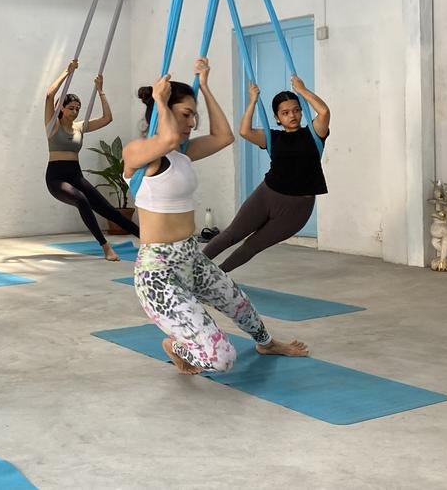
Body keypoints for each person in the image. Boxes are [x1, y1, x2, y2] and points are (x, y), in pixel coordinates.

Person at [122, 59, 308, 375]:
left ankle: (266, 343)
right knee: (222, 359)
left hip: (191, 258)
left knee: (240, 305)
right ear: (163, 112)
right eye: (185, 114)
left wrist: (205, 86)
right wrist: (158, 99)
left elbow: (224, 137)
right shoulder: (138, 154)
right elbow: (165, 139)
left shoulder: (181, 154)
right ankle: (177, 346)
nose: (192, 123)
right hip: (158, 272)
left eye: (193, 115)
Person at [202, 76, 330, 272]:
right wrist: (253, 101)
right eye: (285, 113)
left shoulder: (313, 134)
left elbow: (324, 111)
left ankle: (218, 275)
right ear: (278, 118)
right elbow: (245, 131)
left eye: (296, 110)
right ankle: (191, 268)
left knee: (253, 246)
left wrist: (302, 90)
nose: (292, 116)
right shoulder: (273, 137)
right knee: (232, 234)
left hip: (297, 208)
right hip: (267, 195)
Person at [43, 59, 138, 261]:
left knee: (109, 210)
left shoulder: (79, 127)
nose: (75, 111)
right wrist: (67, 72)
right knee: (81, 200)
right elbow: (49, 95)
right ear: (61, 108)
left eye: (78, 108)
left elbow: (107, 118)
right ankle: (105, 247)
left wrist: (101, 91)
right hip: (56, 178)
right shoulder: (52, 125)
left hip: (75, 174)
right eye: (71, 108)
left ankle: (148, 241)